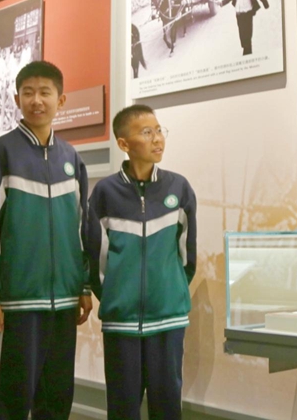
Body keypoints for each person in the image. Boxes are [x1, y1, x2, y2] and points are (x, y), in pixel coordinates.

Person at [0, 60, 92, 420]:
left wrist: (83, 285)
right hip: (17, 303)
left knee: (56, 399)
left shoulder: (71, 158)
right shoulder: (1, 152)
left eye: (45, 92)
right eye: (28, 93)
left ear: (61, 100)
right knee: (12, 400)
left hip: (64, 303)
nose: (36, 100)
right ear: (16, 99)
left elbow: (82, 229)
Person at [86, 104, 197, 420]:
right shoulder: (105, 193)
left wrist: (170, 291)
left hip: (168, 319)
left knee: (167, 405)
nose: (157, 139)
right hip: (121, 321)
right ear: (124, 143)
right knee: (123, 407)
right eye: (147, 132)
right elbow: (96, 258)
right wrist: (116, 296)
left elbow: (187, 256)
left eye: (159, 130)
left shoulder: (179, 188)